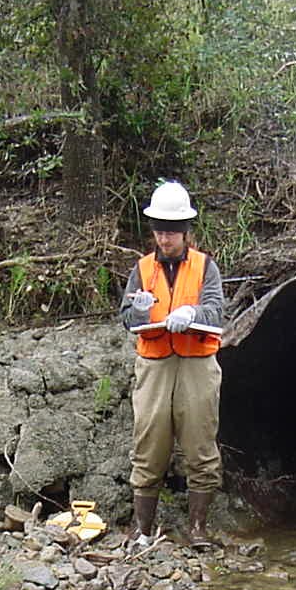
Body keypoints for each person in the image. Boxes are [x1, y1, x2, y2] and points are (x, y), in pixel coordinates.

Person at [119, 180, 224, 550]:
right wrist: (138, 310)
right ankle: (142, 530)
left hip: (197, 364)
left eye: (171, 232)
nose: (164, 239)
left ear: (185, 231)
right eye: (159, 232)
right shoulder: (142, 269)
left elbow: (216, 310)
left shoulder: (205, 267)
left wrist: (192, 313)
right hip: (154, 366)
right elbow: (126, 318)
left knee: (200, 445)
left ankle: (198, 529)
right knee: (148, 445)